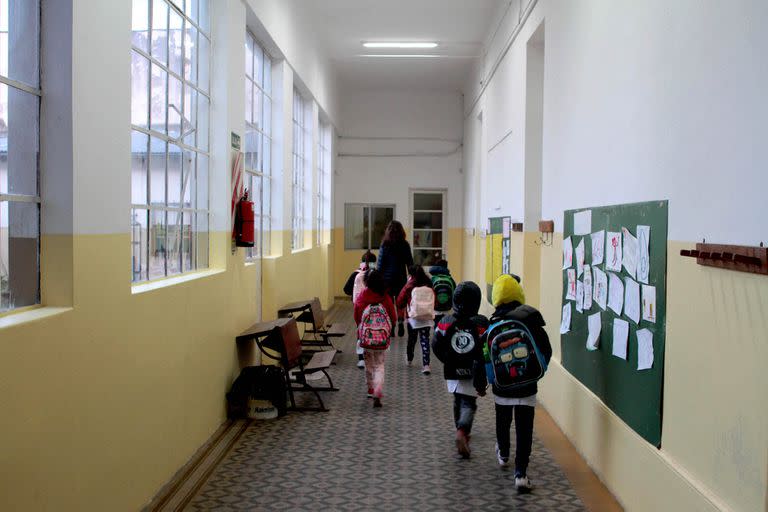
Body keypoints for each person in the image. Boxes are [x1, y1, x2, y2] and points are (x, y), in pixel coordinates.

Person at [483, 274, 552, 493]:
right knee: (525, 429)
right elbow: (546, 349)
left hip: (502, 387)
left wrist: (486, 380)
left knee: (502, 421)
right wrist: (538, 371)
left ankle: (503, 454)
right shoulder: (530, 319)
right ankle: (521, 474)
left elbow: (484, 356)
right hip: (527, 386)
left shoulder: (493, 324)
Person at [431, 281, 488, 459]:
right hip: (473, 369)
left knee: (458, 399)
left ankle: (459, 427)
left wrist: (447, 359)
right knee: (469, 403)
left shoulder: (445, 321)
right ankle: (463, 431)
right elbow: (487, 347)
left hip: (452, 368)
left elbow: (436, 344)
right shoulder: (481, 323)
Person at [353, 269, 397, 408]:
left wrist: (360, 328)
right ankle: (378, 388)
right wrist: (389, 329)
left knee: (369, 364)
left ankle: (371, 389)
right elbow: (393, 316)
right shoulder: (385, 296)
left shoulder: (362, 295)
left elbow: (357, 314)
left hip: (366, 338)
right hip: (381, 338)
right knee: (379, 364)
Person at [377, 220, 414, 337]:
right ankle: (401, 323)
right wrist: (412, 276)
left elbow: (380, 265)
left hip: (386, 281)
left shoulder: (384, 245)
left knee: (389, 304)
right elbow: (410, 263)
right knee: (400, 303)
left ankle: (392, 327)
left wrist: (378, 278)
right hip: (401, 279)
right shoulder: (405, 244)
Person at [396, 265, 435, 374]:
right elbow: (434, 300)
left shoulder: (409, 285)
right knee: (425, 340)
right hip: (427, 317)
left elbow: (399, 301)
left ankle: (409, 359)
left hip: (413, 318)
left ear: (411, 274)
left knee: (412, 340)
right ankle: (426, 365)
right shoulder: (429, 283)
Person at [343, 250, 377, 368]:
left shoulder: (355, 274)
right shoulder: (376, 274)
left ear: (361, 262)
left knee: (361, 330)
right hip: (374, 308)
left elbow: (346, 290)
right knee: (373, 330)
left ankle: (361, 358)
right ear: (374, 262)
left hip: (359, 307)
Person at [429, 259, 457, 324]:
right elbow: (455, 293)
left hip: (436, 310)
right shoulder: (450, 279)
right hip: (448, 309)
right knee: (447, 328)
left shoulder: (433, 279)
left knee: (437, 327)